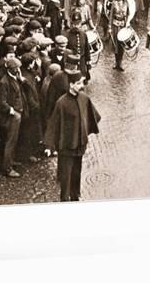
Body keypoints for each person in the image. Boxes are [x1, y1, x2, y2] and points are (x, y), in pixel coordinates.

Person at [44, 71, 101, 202]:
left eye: (81, 82)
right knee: (66, 176)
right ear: (71, 84)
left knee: (76, 173)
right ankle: (64, 199)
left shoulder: (84, 98)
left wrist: (85, 129)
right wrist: (49, 145)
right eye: (78, 83)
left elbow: (93, 116)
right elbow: (53, 124)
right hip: (66, 147)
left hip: (80, 145)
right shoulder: (61, 103)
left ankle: (75, 196)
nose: (82, 85)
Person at [108, 0, 131, 71]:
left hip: (123, 26)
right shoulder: (114, 3)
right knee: (116, 44)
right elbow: (111, 16)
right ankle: (116, 62)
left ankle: (120, 63)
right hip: (115, 26)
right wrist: (110, 27)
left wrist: (128, 22)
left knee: (122, 44)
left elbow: (129, 14)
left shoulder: (126, 3)